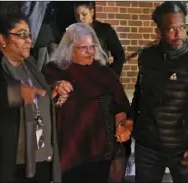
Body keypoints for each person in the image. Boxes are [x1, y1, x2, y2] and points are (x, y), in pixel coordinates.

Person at [0, 15, 73, 183]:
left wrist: (52, 95)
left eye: (29, 35)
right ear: (2, 39)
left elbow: (36, 98)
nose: (29, 40)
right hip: (10, 164)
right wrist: (13, 93)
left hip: (42, 158)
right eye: (22, 35)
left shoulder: (30, 65)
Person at [43, 23, 131, 182]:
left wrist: (121, 123)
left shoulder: (103, 71)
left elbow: (120, 103)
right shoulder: (55, 70)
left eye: (92, 47)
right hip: (69, 148)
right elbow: (44, 98)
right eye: (83, 48)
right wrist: (56, 88)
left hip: (101, 148)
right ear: (69, 48)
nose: (90, 52)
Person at [127, 2, 188, 182]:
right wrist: (130, 118)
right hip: (148, 147)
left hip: (186, 147)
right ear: (158, 32)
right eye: (171, 29)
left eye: (182, 27)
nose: (178, 34)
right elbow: (140, 92)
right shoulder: (147, 56)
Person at [74, 1, 126, 77]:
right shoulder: (73, 33)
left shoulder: (104, 30)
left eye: (84, 14)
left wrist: (112, 76)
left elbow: (119, 55)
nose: (80, 18)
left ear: (92, 12)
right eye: (77, 15)